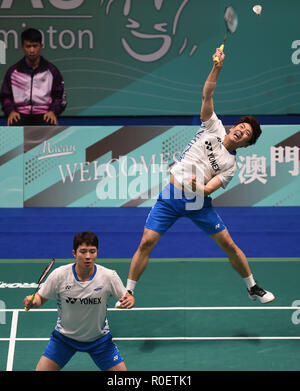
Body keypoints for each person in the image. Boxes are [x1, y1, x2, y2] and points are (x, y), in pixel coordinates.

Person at [118, 47, 275, 308]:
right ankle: (129, 291)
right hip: (171, 195)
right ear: (234, 126)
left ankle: (252, 287)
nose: (241, 131)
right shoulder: (212, 125)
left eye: (246, 133)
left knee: (228, 245)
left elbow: (211, 188)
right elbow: (207, 93)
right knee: (146, 242)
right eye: (241, 126)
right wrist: (217, 67)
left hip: (196, 201)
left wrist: (199, 187)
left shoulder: (230, 165)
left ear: (247, 143)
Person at [23, 231, 135, 371]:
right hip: (64, 339)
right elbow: (41, 298)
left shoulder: (108, 276)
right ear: (74, 253)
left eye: (92, 251)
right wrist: (33, 302)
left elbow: (127, 297)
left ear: (97, 253)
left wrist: (129, 300)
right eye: (83, 252)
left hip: (99, 340)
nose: (88, 256)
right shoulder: (60, 275)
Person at [0, 28, 66, 126]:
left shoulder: (51, 71)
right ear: (22, 47)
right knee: (14, 123)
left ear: (41, 46)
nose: (32, 50)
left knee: (50, 122)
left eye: (35, 46)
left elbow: (59, 97)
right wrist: (11, 111)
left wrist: (53, 111)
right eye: (28, 46)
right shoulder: (13, 72)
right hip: (19, 114)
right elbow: (5, 96)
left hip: (45, 114)